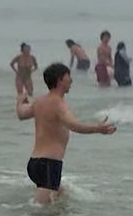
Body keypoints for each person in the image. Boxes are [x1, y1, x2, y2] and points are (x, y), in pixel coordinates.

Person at [15, 63, 117, 204]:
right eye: (68, 77)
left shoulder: (39, 102)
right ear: (59, 80)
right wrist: (97, 129)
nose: (71, 80)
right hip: (49, 164)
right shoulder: (58, 104)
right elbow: (74, 125)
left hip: (35, 164)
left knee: (59, 197)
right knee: (43, 213)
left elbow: (21, 114)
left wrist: (19, 102)